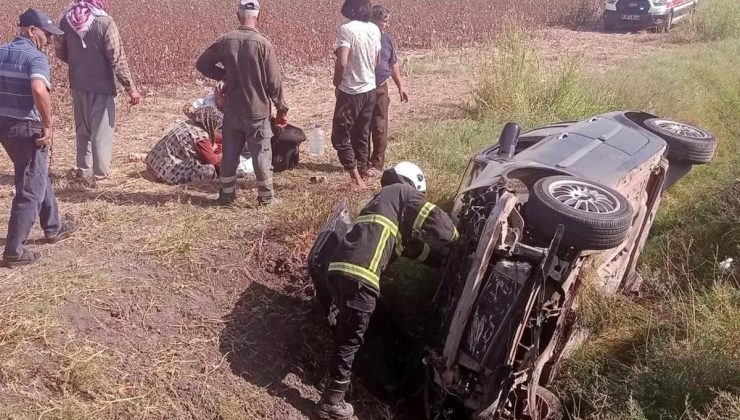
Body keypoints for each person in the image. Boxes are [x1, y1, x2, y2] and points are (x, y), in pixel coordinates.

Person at [317, 162, 459, 419]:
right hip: (361, 275)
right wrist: (457, 240)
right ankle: (331, 401)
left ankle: (336, 383)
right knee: (351, 338)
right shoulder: (402, 192)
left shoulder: (382, 206)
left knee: (348, 332)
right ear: (411, 185)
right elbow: (438, 222)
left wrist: (439, 261)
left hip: (338, 270)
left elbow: (412, 250)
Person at [0, 9, 76, 268]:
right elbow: (38, 89)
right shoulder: (35, 57)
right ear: (32, 30)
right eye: (46, 33)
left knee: (36, 172)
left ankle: (53, 226)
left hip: (4, 126)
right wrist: (47, 124)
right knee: (30, 188)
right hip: (27, 127)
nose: (48, 39)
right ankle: (14, 252)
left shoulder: (1, 51)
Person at [196, 0, 289, 207]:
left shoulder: (225, 41)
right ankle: (266, 198)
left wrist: (224, 74)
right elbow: (274, 83)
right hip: (257, 112)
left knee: (230, 154)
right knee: (261, 154)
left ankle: (226, 196)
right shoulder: (264, 44)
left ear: (238, 15)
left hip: (232, 111)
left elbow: (202, 64)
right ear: (259, 16)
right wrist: (282, 109)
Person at [55, 0, 141, 184]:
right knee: (101, 130)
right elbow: (117, 58)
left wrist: (78, 62)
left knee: (83, 128)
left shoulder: (66, 20)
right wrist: (130, 88)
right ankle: (101, 175)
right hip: (102, 84)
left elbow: (60, 52)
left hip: (77, 82)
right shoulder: (105, 22)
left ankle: (84, 171)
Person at [331, 0, 382, 189]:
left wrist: (337, 81)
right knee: (362, 133)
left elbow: (342, 62)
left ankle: (356, 179)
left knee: (340, 135)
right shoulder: (374, 29)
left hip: (351, 90)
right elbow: (377, 61)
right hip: (370, 89)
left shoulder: (347, 29)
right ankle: (363, 172)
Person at [369, 5, 409, 173]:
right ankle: (361, 163)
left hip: (380, 89)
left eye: (387, 21)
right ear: (373, 20)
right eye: (385, 21)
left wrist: (401, 86)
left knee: (380, 127)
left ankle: (377, 165)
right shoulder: (365, 37)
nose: (387, 25)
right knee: (362, 127)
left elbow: (393, 64)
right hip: (362, 90)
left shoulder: (387, 40)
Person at [145, 105, 225, 185]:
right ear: (211, 123)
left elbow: (212, 135)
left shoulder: (189, 124)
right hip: (164, 171)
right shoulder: (200, 136)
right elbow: (212, 160)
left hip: (153, 163)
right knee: (208, 170)